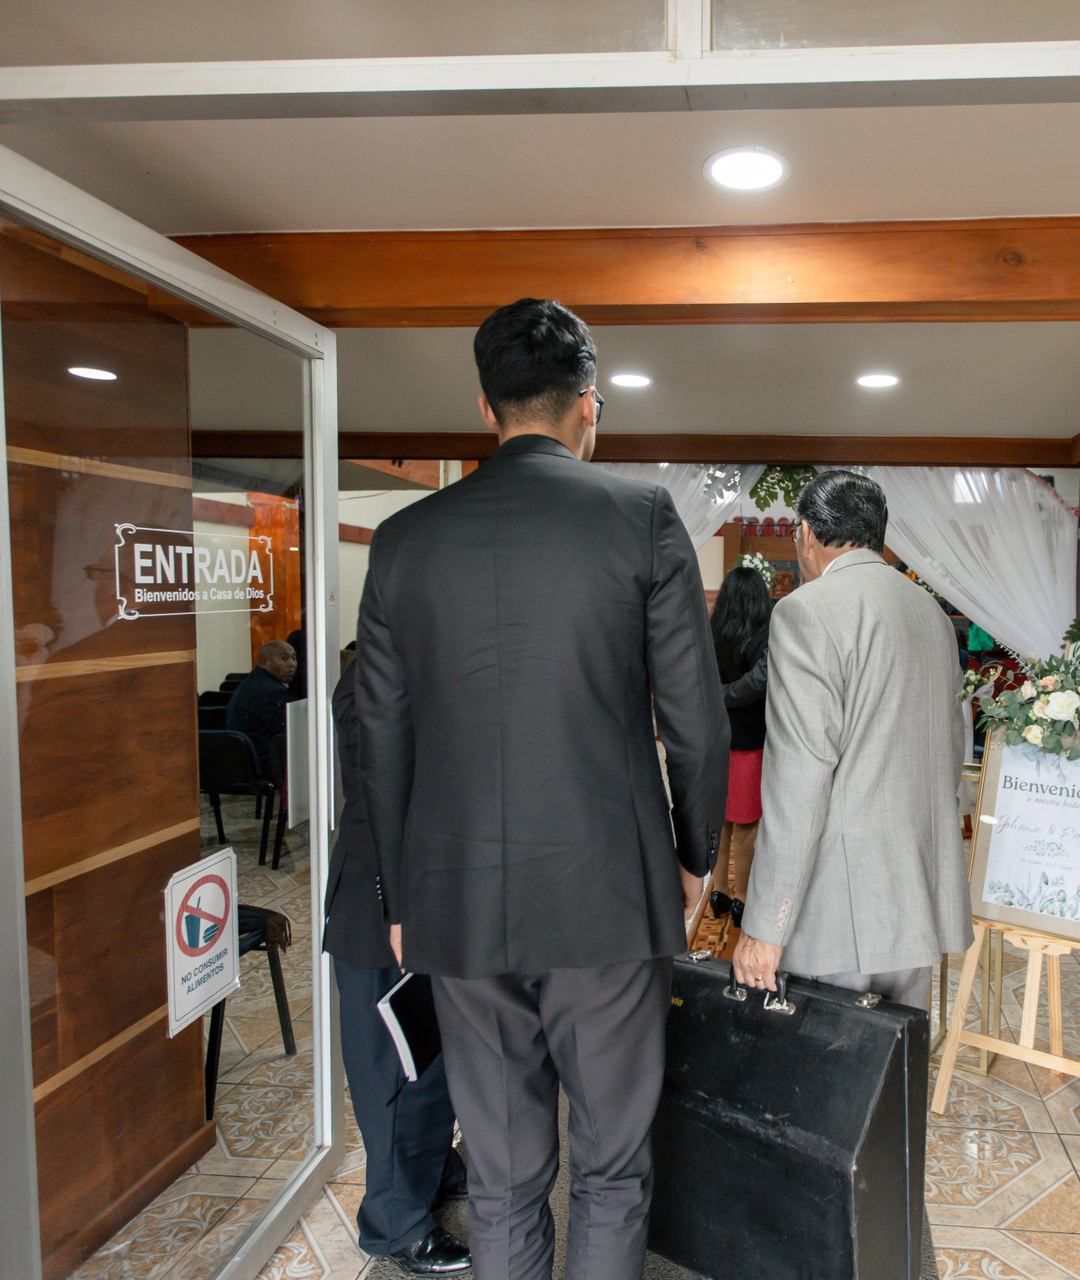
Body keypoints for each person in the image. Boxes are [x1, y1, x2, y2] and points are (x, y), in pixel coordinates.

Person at [356, 297, 729, 1280]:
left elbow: (381, 738)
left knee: (503, 1177)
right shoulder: (642, 520)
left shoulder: (404, 540)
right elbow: (697, 722)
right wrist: (695, 857)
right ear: (589, 405)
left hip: (456, 898)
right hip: (609, 892)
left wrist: (398, 897)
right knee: (611, 1170)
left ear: (486, 408)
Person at [731, 470, 973, 1012]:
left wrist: (767, 923)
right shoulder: (931, 614)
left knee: (823, 1059)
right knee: (894, 1057)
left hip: (837, 906)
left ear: (807, 534)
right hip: (919, 896)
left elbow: (799, 777)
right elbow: (951, 746)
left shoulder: (806, 611)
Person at [324, 654, 471, 1274]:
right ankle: (395, 1224)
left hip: (424, 901)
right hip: (381, 908)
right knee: (393, 1075)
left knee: (430, 1064)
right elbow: (385, 791)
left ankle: (434, 1171)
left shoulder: (419, 662)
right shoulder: (374, 675)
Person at [710, 565, 772, 925]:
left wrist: (715, 695)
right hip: (749, 740)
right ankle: (742, 898)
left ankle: (718, 891)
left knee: (720, 820)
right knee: (746, 823)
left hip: (716, 740)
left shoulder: (712, 631)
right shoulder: (761, 635)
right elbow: (759, 683)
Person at [225, 639, 295, 778]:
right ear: (264, 662)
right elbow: (293, 730)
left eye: (294, 658)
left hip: (246, 762)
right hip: (262, 764)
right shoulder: (269, 690)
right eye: (284, 658)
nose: (292, 664)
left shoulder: (256, 681)